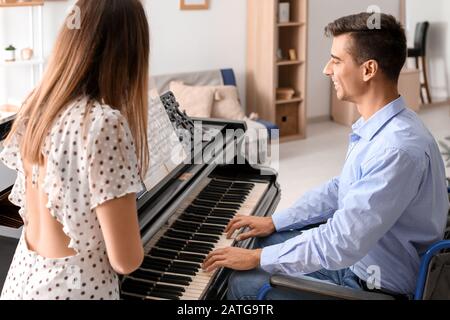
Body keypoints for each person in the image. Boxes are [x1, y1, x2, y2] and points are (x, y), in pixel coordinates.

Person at [203, 12, 450, 299]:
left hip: (374, 285)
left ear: (368, 70)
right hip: (358, 261)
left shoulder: (396, 149)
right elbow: (340, 188)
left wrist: (258, 259)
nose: (326, 70)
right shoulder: (382, 126)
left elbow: (340, 242)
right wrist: (275, 222)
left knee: (241, 283)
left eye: (336, 60)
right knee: (260, 240)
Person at [0, 0, 150, 300]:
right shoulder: (103, 123)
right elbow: (125, 260)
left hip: (23, 283)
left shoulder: (38, 104)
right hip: (75, 290)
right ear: (130, 52)